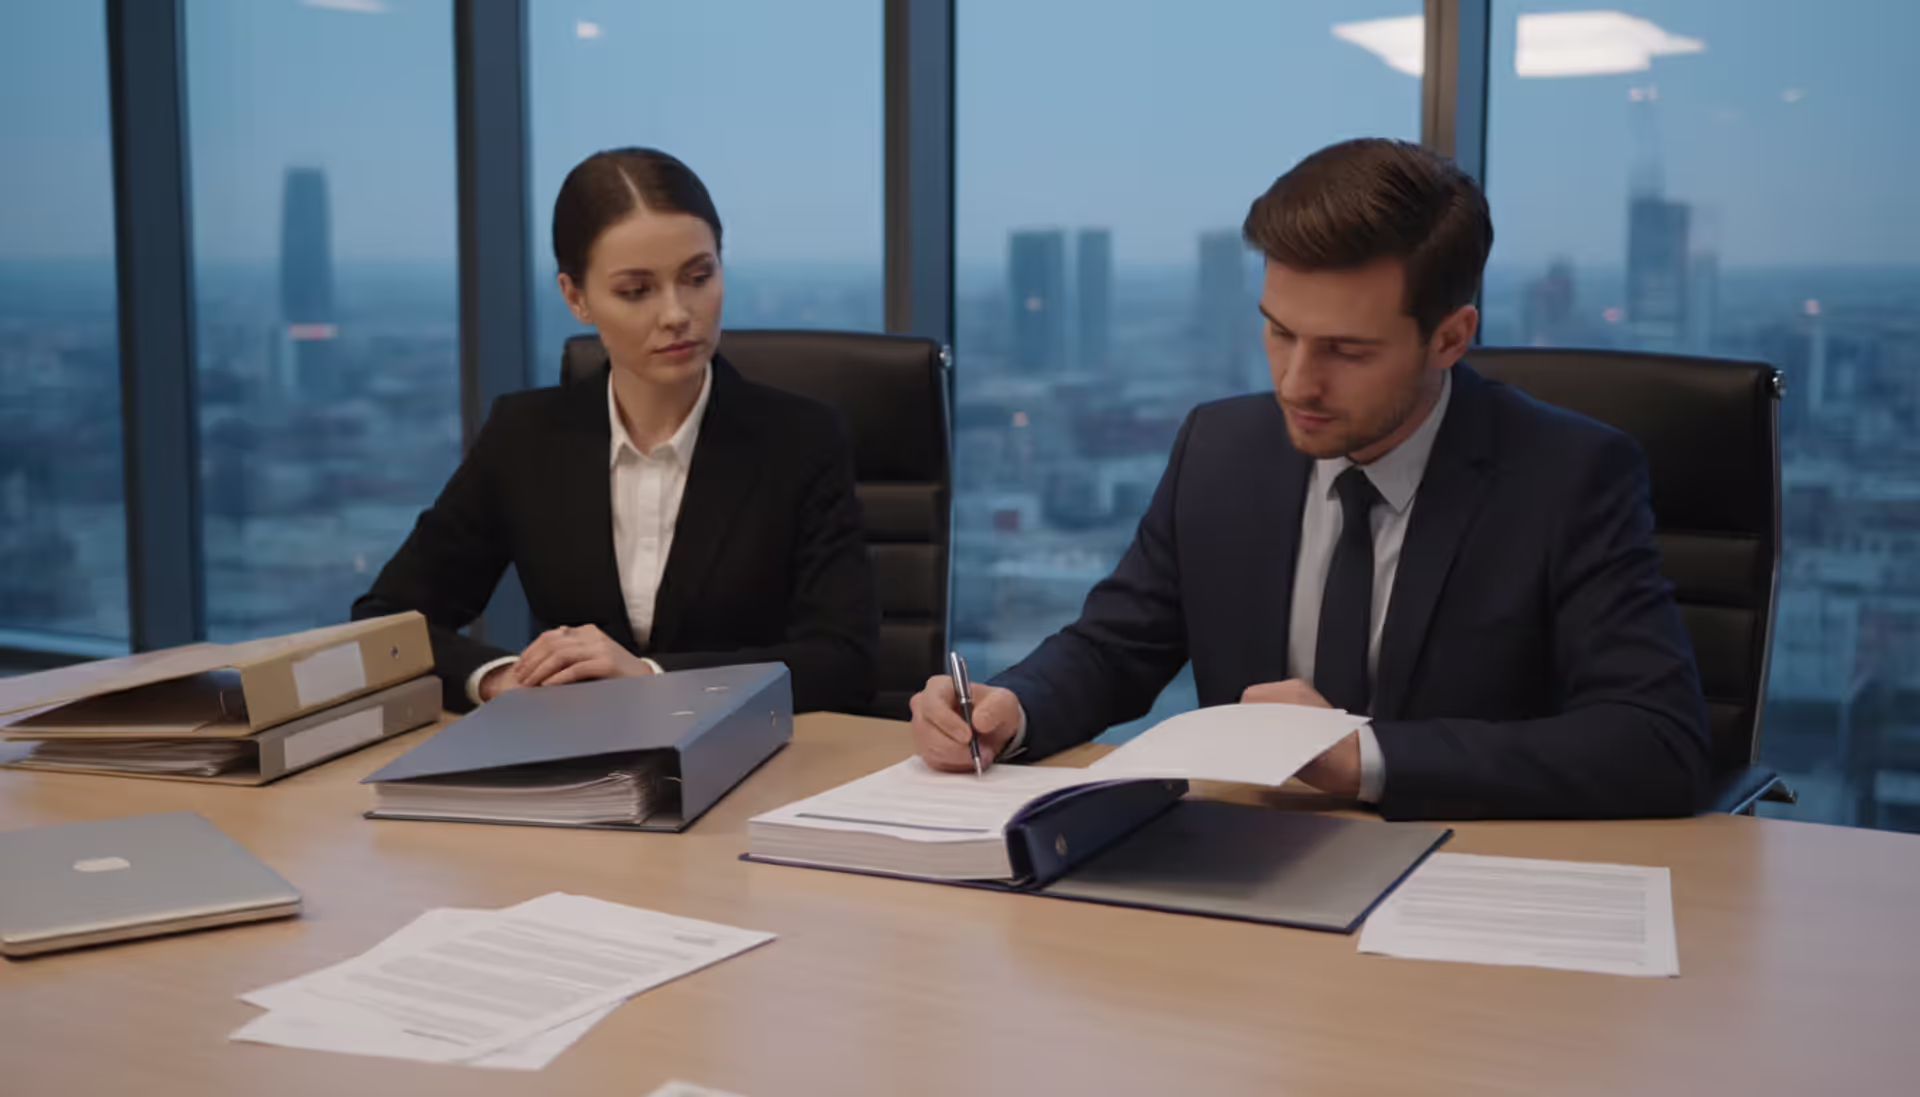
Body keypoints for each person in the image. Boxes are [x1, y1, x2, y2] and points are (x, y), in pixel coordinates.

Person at [911, 138, 1712, 820]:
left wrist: (1361, 754)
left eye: (1346, 350)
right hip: (1248, 870)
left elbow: (1656, 739)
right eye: (1279, 332)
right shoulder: (1222, 447)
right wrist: (1012, 707)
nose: (1296, 382)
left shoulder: (1567, 476)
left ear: (1450, 338)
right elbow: (1118, 644)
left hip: (1468, 886)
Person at [355, 148, 878, 715]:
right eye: (637, 291)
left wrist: (653, 679)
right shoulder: (526, 438)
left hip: (760, 768)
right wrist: (500, 679)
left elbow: (844, 662)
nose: (678, 313)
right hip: (578, 765)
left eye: (698, 277)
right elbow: (387, 623)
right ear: (575, 297)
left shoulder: (800, 440)